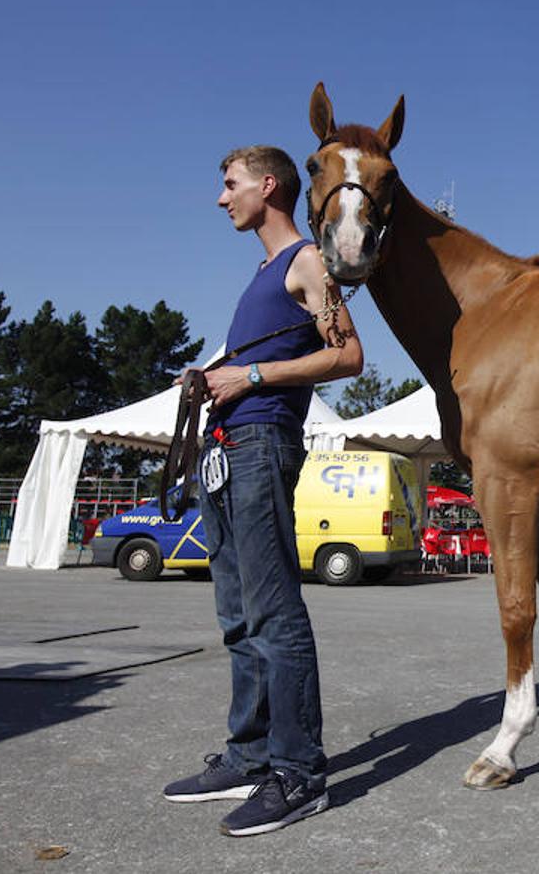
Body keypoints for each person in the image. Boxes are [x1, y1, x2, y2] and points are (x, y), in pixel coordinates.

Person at [163, 145, 363, 837]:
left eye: (231, 185)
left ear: (267, 185)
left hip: (260, 447)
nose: (223, 198)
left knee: (275, 616)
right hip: (224, 452)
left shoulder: (307, 261)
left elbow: (348, 353)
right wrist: (220, 375)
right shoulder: (262, 272)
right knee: (237, 618)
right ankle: (249, 756)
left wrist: (250, 379)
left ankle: (299, 774)